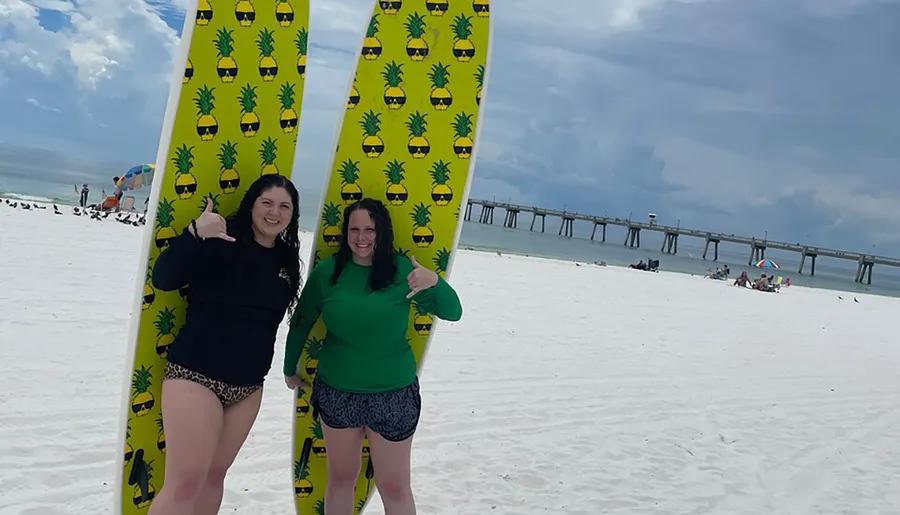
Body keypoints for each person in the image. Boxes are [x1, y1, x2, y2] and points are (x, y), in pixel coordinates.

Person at [283, 197, 463, 515]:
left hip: (393, 396)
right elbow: (301, 322)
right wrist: (289, 366)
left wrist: (434, 281)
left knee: (394, 487)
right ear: (345, 232)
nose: (362, 237)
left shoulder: (404, 271)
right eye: (355, 229)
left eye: (370, 229)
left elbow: (453, 312)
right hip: (338, 393)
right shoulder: (328, 273)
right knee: (341, 479)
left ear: (383, 232)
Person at [147, 174, 302, 515]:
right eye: (267, 203)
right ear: (252, 205)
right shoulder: (221, 239)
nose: (274, 212)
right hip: (195, 375)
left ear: (293, 214)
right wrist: (194, 234)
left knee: (214, 477)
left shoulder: (287, 258)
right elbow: (164, 279)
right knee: (185, 481)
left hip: (247, 388)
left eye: (284, 206)